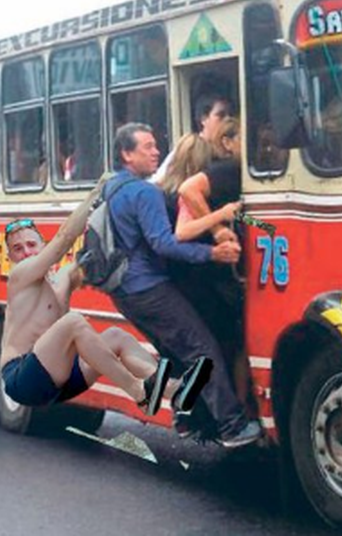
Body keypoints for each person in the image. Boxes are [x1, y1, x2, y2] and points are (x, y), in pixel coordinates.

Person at [0, 177, 212, 415]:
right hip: (22, 378)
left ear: (41, 245)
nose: (26, 252)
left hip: (61, 381)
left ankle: (174, 391)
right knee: (73, 322)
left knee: (116, 336)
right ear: (10, 258)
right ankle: (138, 392)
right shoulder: (19, 276)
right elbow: (63, 239)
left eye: (31, 245)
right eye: (18, 249)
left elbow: (90, 260)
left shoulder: (60, 281)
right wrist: (95, 193)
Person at [107, 122, 262, 448]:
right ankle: (232, 426)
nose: (156, 152)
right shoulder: (145, 192)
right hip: (149, 287)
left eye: (156, 145)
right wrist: (212, 252)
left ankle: (186, 416)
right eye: (148, 147)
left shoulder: (113, 187)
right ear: (126, 154)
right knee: (202, 351)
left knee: (179, 353)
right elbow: (165, 242)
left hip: (124, 292)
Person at [177, 118, 248, 401]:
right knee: (229, 344)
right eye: (245, 137)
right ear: (227, 143)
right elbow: (187, 191)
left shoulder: (241, 171)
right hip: (212, 275)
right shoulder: (229, 170)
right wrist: (218, 228)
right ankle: (233, 410)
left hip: (216, 272)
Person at [151, 92, 232, 184]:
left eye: (230, 114)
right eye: (221, 115)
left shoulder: (231, 148)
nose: (228, 119)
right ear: (204, 119)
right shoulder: (189, 148)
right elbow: (158, 181)